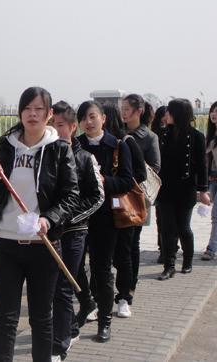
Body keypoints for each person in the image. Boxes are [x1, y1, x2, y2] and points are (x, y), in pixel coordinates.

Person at [0, 87, 79, 362]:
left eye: (39, 109)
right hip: (7, 243)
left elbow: (71, 196)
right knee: (5, 318)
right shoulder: (7, 145)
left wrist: (48, 218)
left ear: (49, 114)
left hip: (43, 245)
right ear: (20, 112)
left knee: (41, 317)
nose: (32, 114)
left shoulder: (59, 149)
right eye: (27, 108)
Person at [76, 101, 134, 342]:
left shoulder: (119, 145)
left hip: (106, 218)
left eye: (92, 117)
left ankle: (105, 321)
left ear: (103, 118)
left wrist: (103, 180)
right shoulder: (75, 145)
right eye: (83, 118)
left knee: (102, 270)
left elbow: (127, 181)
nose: (88, 122)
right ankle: (87, 304)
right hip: (78, 217)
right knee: (74, 267)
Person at [50, 101, 104, 361]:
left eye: (60, 125)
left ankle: (59, 346)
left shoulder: (85, 158)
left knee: (63, 285)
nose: (54, 129)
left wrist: (69, 218)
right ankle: (69, 328)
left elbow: (97, 197)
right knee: (51, 285)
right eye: (51, 124)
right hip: (49, 232)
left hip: (74, 231)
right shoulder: (45, 156)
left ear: (73, 127)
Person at [156, 99, 211, 280]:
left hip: (186, 189)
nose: (166, 115)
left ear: (178, 114)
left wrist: (203, 190)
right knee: (167, 229)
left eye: (169, 111)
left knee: (183, 227)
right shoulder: (162, 135)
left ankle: (187, 261)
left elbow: (202, 166)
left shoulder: (196, 137)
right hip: (165, 188)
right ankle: (169, 266)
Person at [101, 103, 146, 320]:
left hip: (124, 209)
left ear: (105, 119)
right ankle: (101, 300)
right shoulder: (89, 144)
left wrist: (113, 181)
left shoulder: (126, 142)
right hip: (100, 209)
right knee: (102, 258)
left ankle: (124, 297)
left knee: (123, 255)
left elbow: (140, 174)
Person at [121, 95, 161, 301]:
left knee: (132, 242)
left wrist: (131, 169)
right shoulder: (116, 132)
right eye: (122, 108)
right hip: (116, 194)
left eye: (127, 109)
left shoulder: (149, 137)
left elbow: (155, 168)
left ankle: (130, 285)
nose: (123, 112)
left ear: (139, 111)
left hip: (136, 197)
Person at [150, 105, 170, 262]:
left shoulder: (172, 133)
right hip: (157, 181)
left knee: (168, 218)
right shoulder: (155, 134)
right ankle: (162, 248)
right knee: (160, 217)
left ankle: (169, 247)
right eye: (164, 114)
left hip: (169, 180)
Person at [201, 101, 217, 261]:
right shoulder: (211, 135)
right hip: (212, 178)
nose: (214, 114)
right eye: (212, 111)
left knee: (215, 215)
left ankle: (211, 249)